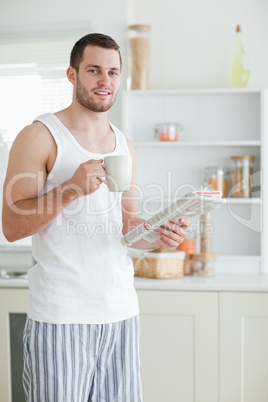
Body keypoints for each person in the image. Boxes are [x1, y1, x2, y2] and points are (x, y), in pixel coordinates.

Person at [2, 33, 190, 402]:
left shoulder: (124, 144)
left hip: (121, 313)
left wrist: (158, 235)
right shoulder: (40, 136)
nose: (105, 81)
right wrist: (70, 188)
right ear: (72, 75)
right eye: (94, 70)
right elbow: (10, 225)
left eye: (113, 72)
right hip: (60, 317)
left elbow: (128, 227)